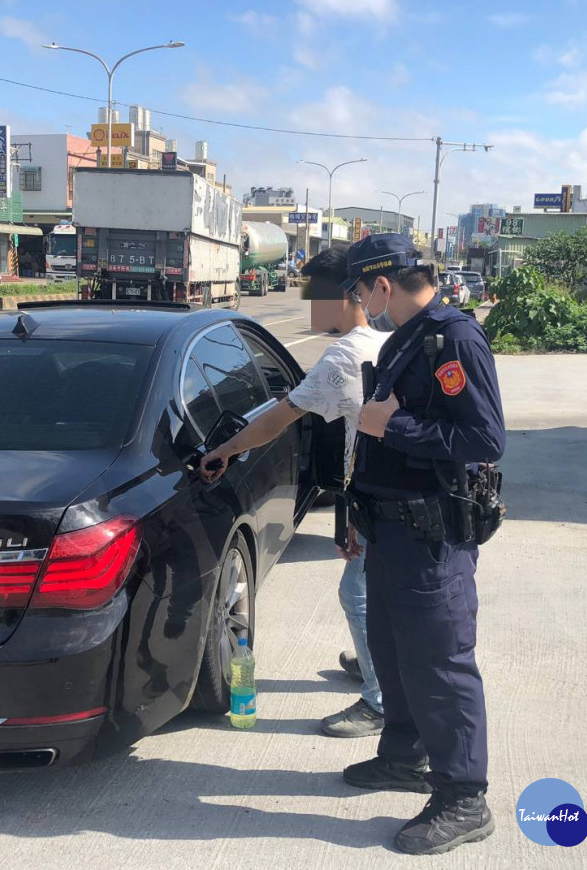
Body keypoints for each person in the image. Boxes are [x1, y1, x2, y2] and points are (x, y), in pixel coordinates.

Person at [340, 233, 505, 856]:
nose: (360, 303)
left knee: (439, 661)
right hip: (390, 528)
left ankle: (464, 796)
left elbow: (485, 437)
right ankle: (405, 757)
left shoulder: (453, 336)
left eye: (361, 290)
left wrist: (395, 425)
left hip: (432, 533)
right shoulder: (409, 335)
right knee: (393, 649)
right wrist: (357, 509)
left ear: (383, 284)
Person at [199, 245, 390, 738]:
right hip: (382, 488)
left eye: (317, 297)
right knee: (375, 588)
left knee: (358, 593)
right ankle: (377, 661)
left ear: (350, 295)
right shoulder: (382, 343)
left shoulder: (341, 357)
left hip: (371, 491)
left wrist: (225, 449)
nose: (311, 309)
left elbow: (279, 419)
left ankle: (380, 699)